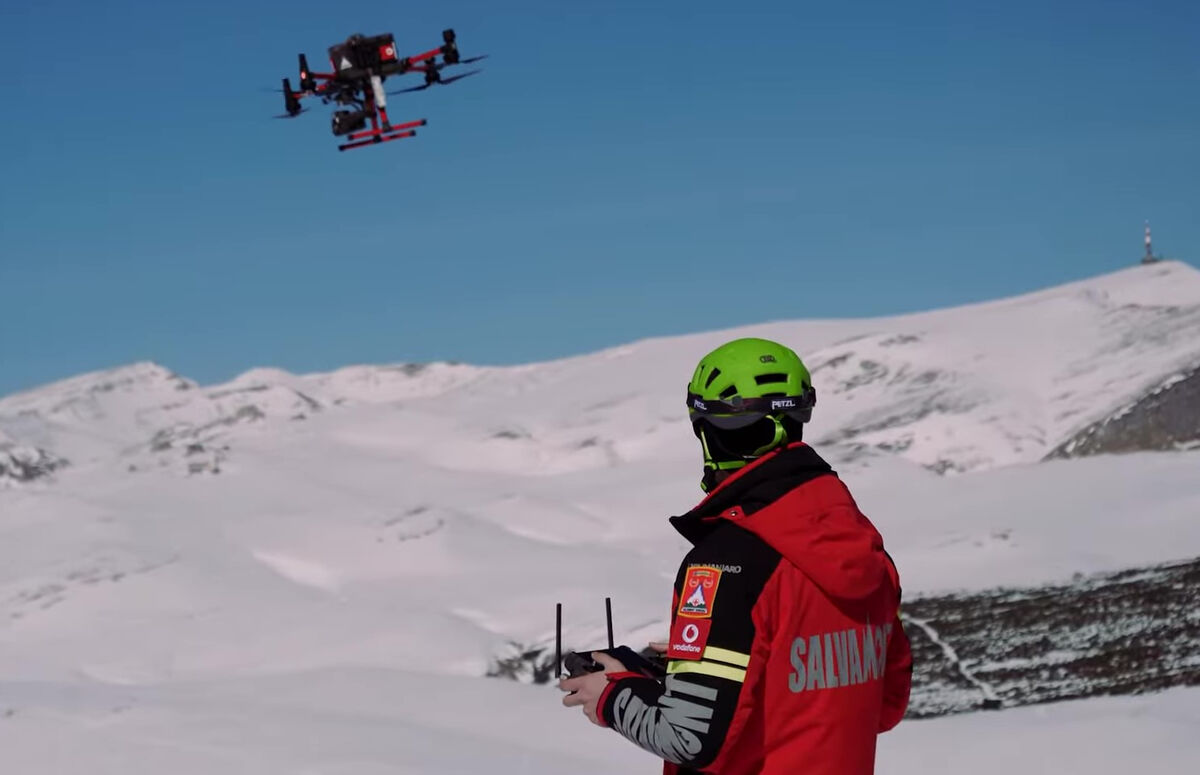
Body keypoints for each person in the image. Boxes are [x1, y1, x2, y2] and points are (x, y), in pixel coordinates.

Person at [559, 337, 912, 774]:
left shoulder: (725, 562)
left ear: (708, 433)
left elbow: (687, 738)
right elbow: (885, 706)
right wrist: (703, 666)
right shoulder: (864, 549)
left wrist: (610, 696)